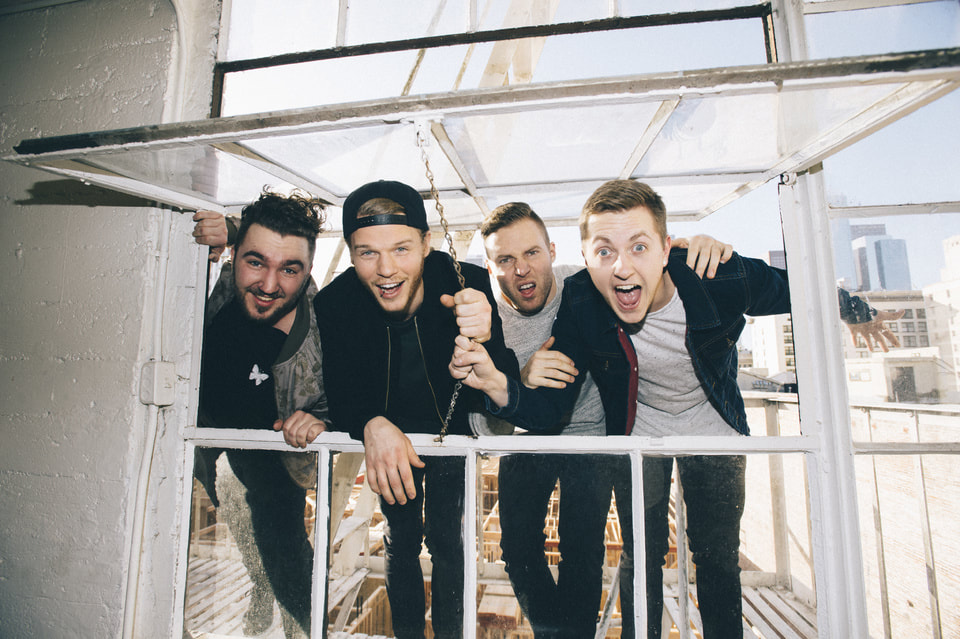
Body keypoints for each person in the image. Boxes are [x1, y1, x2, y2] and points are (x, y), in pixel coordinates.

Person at [450, 179, 898, 639]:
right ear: (585, 258)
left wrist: (855, 309)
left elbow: (795, 289)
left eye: (639, 247)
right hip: (639, 429)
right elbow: (551, 408)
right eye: (604, 251)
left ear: (667, 248)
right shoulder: (581, 300)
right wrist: (504, 385)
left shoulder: (717, 276)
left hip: (714, 427)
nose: (622, 267)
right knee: (641, 554)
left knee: (716, 558)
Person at [475, 202, 732, 638]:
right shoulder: (486, 321)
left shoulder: (586, 284)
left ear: (552, 251)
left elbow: (642, 271)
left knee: (583, 549)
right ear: (489, 267)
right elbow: (481, 427)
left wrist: (690, 253)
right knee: (516, 548)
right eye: (505, 259)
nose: (521, 269)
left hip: (591, 433)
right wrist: (517, 380)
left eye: (532, 253)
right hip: (527, 436)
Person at [309, 180, 519, 639]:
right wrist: (370, 422)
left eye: (401, 249)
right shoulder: (335, 303)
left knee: (447, 539)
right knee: (400, 538)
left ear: (426, 243)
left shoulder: (466, 282)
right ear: (350, 253)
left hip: (450, 433)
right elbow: (340, 389)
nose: (386, 270)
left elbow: (503, 382)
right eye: (367, 253)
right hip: (391, 439)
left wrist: (486, 337)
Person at [192, 192, 328, 639]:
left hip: (273, 459)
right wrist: (226, 228)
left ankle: (301, 627)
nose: (269, 285)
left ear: (308, 271)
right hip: (205, 442)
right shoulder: (215, 284)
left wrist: (321, 420)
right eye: (256, 263)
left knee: (283, 549)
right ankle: (260, 585)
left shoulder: (322, 330)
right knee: (236, 525)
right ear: (235, 256)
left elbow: (348, 398)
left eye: (289, 269)